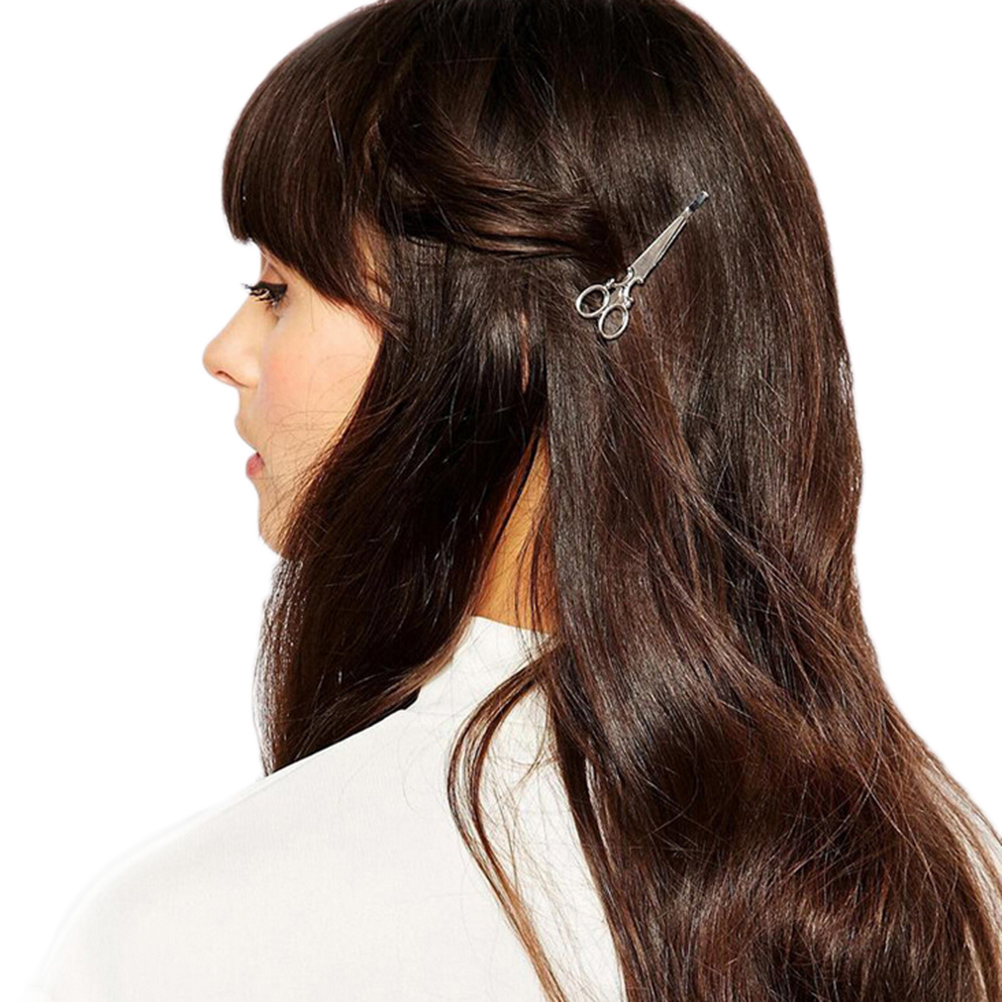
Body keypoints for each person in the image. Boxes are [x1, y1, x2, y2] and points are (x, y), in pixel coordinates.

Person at [22, 0, 1002, 999]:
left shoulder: (190, 936)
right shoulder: (944, 891)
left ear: (514, 334)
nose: (225, 352)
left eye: (278, 288)